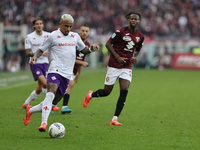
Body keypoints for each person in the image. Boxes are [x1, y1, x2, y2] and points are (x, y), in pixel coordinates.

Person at [24, 14, 99, 132]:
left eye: (70, 26)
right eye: (66, 26)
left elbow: (83, 49)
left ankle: (31, 110)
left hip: (67, 74)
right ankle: (44, 123)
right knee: (50, 94)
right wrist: (35, 56)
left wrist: (91, 49)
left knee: (53, 102)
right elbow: (41, 49)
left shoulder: (74, 36)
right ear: (60, 24)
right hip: (54, 70)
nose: (68, 29)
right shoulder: (53, 36)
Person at [83, 12, 145, 126]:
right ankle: (90, 95)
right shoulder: (120, 32)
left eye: (136, 19)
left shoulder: (140, 36)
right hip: (114, 65)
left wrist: (136, 57)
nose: (133, 21)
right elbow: (108, 44)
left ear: (139, 21)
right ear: (128, 20)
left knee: (124, 91)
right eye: (131, 19)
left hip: (127, 67)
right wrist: (117, 57)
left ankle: (114, 119)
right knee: (106, 92)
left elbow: (138, 49)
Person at [22, 17, 59, 111]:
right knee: (46, 84)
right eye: (37, 24)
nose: (39, 25)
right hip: (35, 63)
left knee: (39, 88)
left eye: (41, 23)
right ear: (34, 25)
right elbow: (27, 53)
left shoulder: (48, 35)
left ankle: (26, 103)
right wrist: (40, 54)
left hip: (46, 63)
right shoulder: (29, 37)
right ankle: (49, 105)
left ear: (43, 25)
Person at [61, 24, 90, 114]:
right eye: (83, 31)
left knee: (62, 88)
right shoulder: (74, 42)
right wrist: (82, 63)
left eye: (86, 31)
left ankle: (51, 105)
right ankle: (64, 107)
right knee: (70, 84)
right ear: (79, 32)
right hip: (66, 66)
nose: (84, 33)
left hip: (73, 70)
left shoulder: (87, 44)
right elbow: (70, 57)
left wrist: (78, 74)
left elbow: (82, 59)